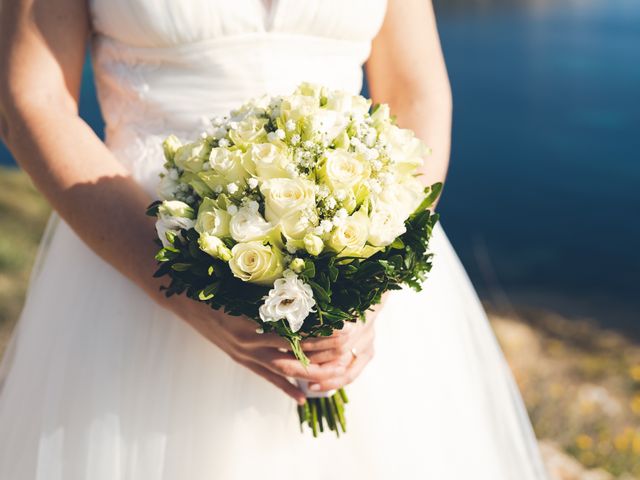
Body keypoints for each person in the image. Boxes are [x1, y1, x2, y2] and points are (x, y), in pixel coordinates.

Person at [0, 0, 549, 478]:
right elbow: (31, 99)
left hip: (359, 258)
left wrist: (374, 276)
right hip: (139, 256)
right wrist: (186, 293)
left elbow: (416, 92)